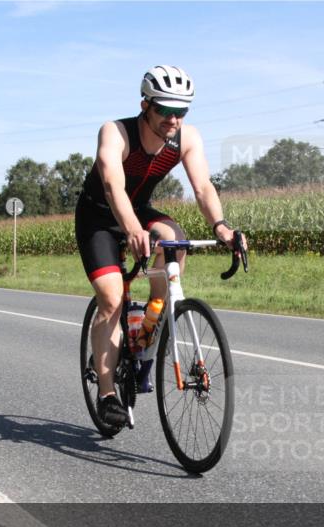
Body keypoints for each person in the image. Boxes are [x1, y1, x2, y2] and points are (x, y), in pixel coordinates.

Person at [75, 65, 245, 428]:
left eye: (181, 111)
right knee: (111, 298)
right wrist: (133, 229)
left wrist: (221, 225)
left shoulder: (186, 137)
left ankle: (145, 336)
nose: (174, 119)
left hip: (139, 211)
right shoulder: (116, 133)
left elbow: (202, 188)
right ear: (145, 105)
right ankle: (107, 394)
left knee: (174, 237)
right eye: (165, 110)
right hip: (100, 217)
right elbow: (112, 188)